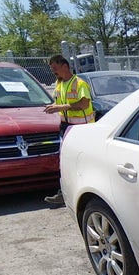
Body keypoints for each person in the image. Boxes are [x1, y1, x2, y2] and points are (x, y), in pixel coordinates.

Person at [43, 54, 95, 207]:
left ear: (65, 66)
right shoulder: (59, 83)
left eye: (55, 68)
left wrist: (60, 107)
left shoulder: (79, 83)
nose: (53, 72)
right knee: (67, 161)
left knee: (82, 162)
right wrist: (54, 107)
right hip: (66, 127)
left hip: (82, 129)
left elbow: (84, 104)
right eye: (51, 69)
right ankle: (65, 193)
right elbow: (60, 103)